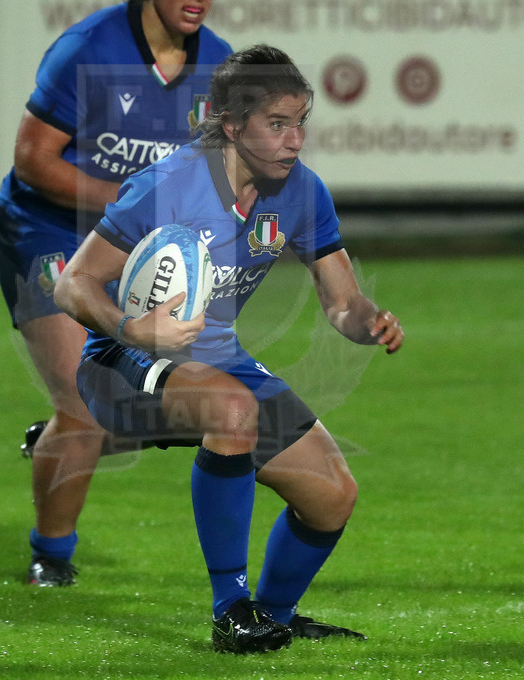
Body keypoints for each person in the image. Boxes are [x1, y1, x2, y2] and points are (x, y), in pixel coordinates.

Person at [53, 44, 404, 654]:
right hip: (122, 362)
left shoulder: (302, 192)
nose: (295, 140)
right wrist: (131, 330)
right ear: (233, 125)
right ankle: (230, 609)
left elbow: (342, 303)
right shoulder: (167, 186)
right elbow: (73, 283)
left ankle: (273, 614)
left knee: (332, 496)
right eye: (278, 124)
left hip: (221, 364)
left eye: (300, 124)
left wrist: (369, 321)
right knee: (233, 411)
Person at [0, 0, 233, 587]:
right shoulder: (87, 49)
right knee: (82, 403)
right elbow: (33, 160)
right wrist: (130, 204)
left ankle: (63, 438)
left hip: (132, 245)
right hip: (45, 231)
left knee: (154, 406)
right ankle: (52, 557)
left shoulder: (218, 69)